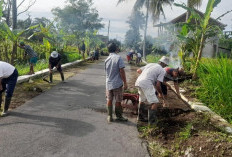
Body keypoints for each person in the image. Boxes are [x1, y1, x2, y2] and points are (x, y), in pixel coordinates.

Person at [135, 56, 169, 125]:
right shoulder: (162, 70)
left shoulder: (150, 64)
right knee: (155, 102)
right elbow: (158, 85)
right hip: (146, 83)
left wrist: (146, 76)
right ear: (164, 64)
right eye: (166, 65)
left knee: (142, 100)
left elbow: (138, 70)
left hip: (138, 81)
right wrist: (160, 93)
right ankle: (152, 122)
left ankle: (140, 117)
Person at [105, 43, 128, 123]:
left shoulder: (107, 59)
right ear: (116, 49)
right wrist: (125, 83)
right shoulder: (118, 58)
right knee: (118, 100)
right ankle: (118, 116)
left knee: (109, 99)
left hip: (108, 83)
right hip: (117, 83)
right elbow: (121, 71)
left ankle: (109, 116)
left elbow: (107, 72)